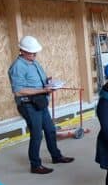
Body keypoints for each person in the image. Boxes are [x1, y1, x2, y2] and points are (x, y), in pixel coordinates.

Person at [8, 35, 74, 174]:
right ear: (22, 51)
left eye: (35, 52)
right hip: (28, 105)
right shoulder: (18, 67)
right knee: (37, 135)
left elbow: (39, 80)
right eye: (31, 53)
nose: (33, 55)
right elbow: (18, 91)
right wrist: (43, 89)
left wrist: (48, 82)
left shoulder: (35, 63)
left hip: (40, 102)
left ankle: (56, 156)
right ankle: (35, 165)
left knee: (50, 130)